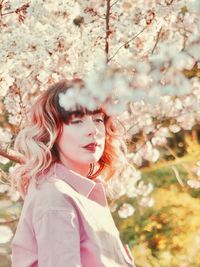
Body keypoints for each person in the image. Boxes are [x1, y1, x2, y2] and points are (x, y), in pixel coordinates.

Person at [10, 78, 136, 267]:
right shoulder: (56, 198)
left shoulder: (84, 191)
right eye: (77, 121)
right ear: (52, 131)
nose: (93, 130)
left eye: (98, 119)